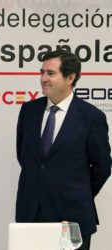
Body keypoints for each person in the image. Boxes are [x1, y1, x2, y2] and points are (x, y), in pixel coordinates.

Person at [16, 49, 111, 250]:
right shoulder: (29, 111)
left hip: (72, 216)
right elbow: (24, 156)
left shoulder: (91, 117)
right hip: (31, 214)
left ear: (70, 77)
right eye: (41, 72)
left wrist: (78, 192)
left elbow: (103, 166)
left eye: (50, 73)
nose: (43, 78)